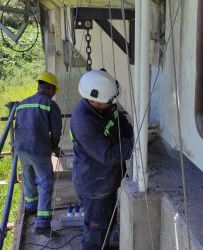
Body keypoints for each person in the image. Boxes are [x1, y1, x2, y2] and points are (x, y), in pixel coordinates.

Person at [70, 70, 133, 250]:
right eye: (108, 102)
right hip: (94, 185)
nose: (112, 104)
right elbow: (108, 155)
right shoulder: (84, 124)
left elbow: (119, 120)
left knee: (108, 222)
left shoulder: (105, 104)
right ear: (93, 100)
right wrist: (135, 143)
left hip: (107, 179)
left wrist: (133, 133)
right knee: (95, 234)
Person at [15, 71, 63, 237]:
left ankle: (30, 207)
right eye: (54, 91)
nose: (53, 95)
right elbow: (56, 131)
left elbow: (18, 127)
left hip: (21, 148)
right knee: (46, 182)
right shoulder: (50, 104)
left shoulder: (22, 103)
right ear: (49, 88)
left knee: (28, 177)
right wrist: (55, 148)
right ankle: (42, 223)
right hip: (38, 149)